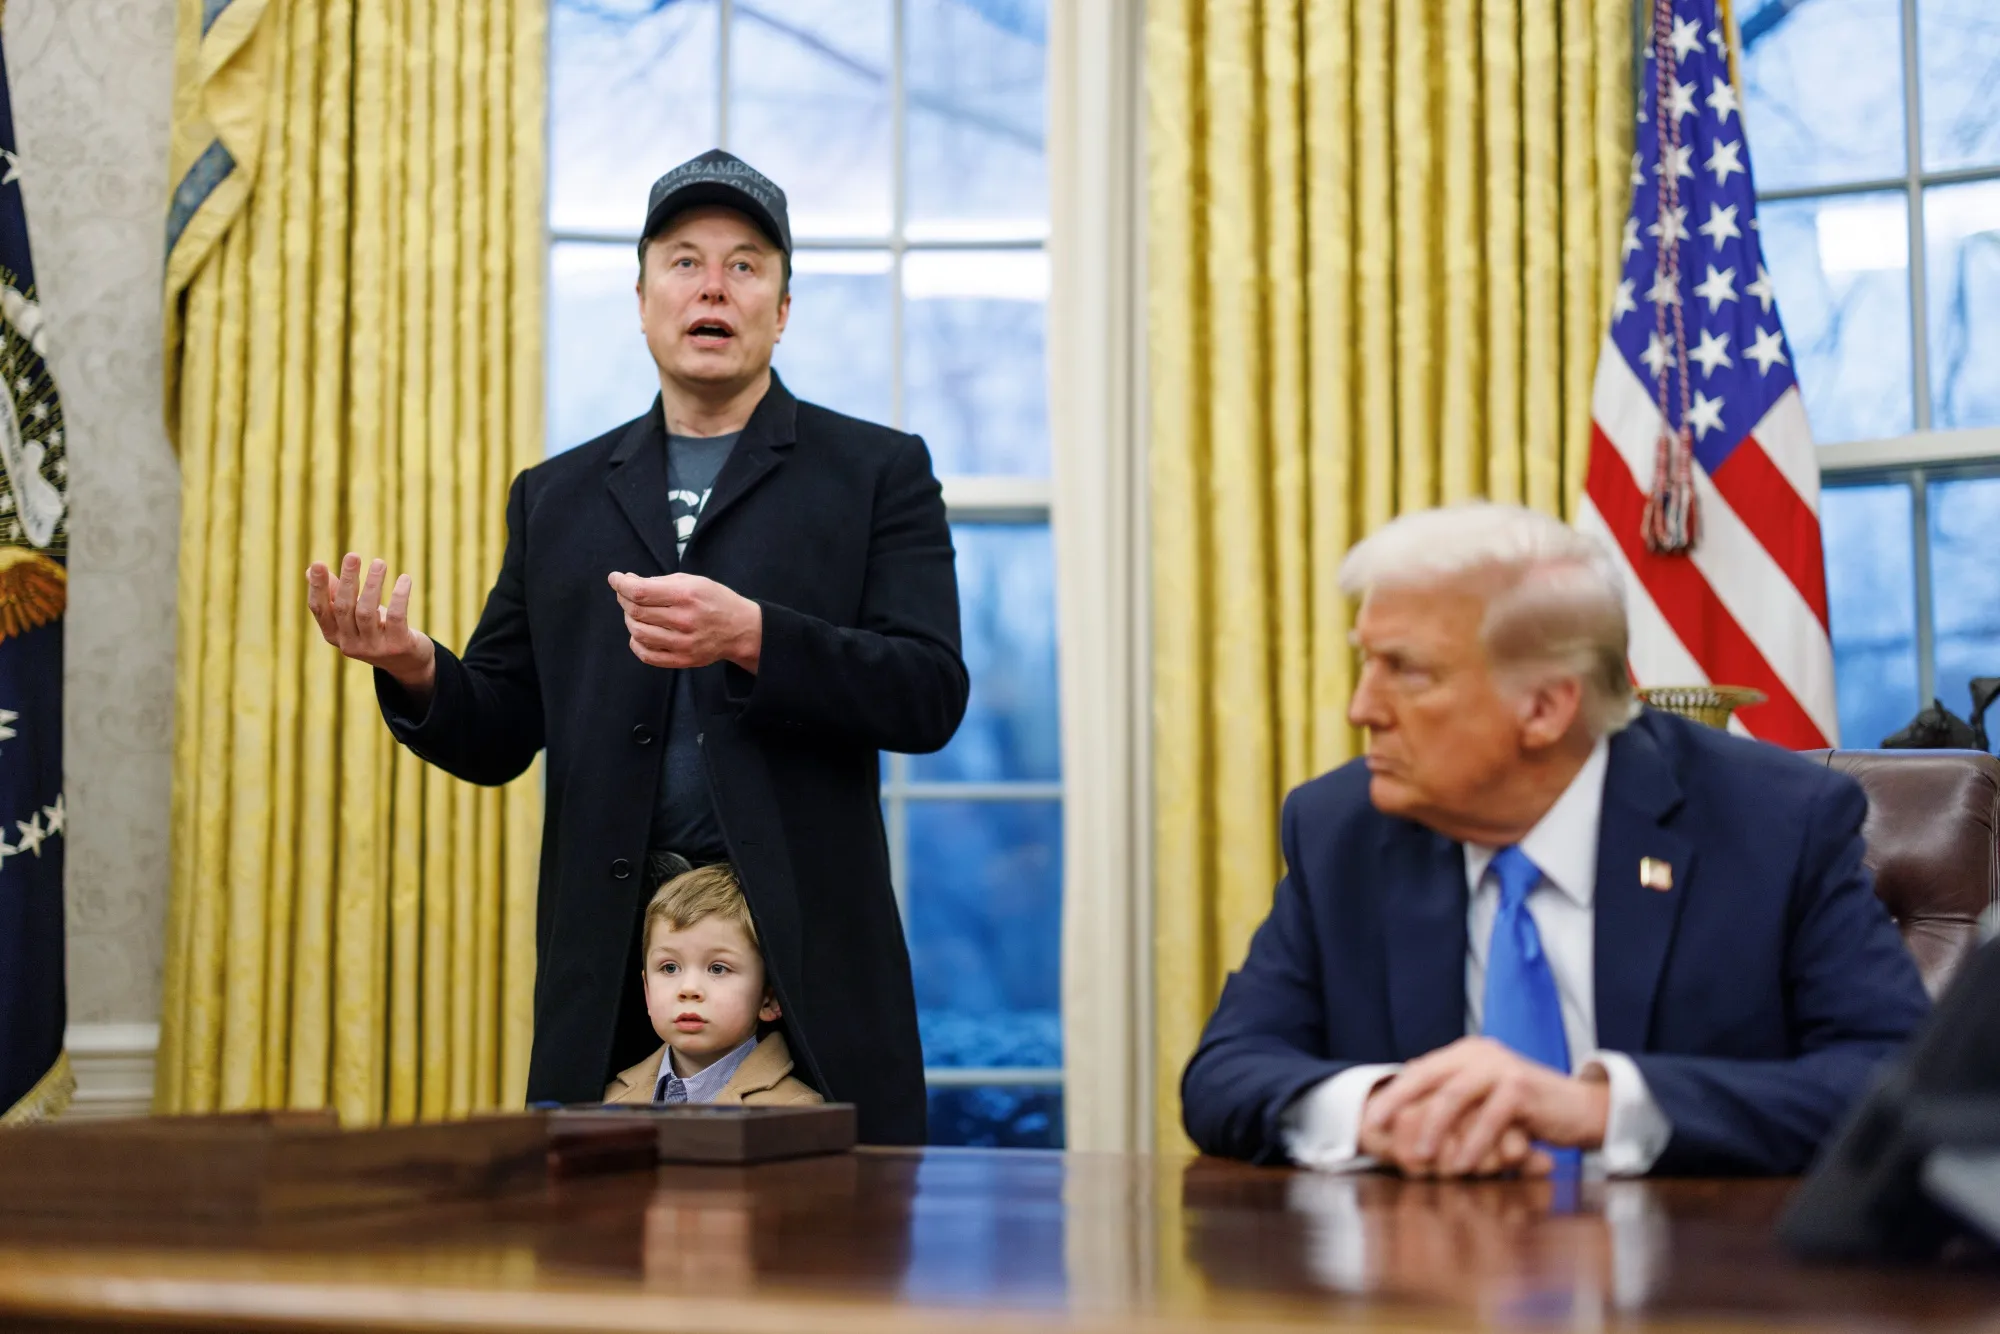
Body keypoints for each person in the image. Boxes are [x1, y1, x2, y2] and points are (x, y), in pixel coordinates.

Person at [304, 149, 966, 1143]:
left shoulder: (875, 471)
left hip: (807, 961)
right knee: (598, 1270)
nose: (712, 285)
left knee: (831, 1270)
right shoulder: (558, 495)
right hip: (610, 963)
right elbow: (500, 729)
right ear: (643, 296)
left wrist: (753, 636)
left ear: (782, 310)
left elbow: (928, 694)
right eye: (684, 261)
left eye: (745, 266)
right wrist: (413, 664)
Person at [1180, 501, 1931, 1177]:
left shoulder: (1773, 822)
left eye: (1404, 670)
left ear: (1543, 708)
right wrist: (1382, 1110)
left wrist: (1598, 1108)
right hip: (1421, 1291)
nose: (1360, 707)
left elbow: (1898, 1085)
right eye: (1365, 661)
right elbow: (1226, 1072)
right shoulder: (1341, 829)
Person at [601, 862, 821, 1107]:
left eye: (718, 968)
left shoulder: (794, 1111)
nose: (689, 989)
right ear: (647, 991)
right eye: (669, 967)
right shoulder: (611, 1099)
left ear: (769, 998)